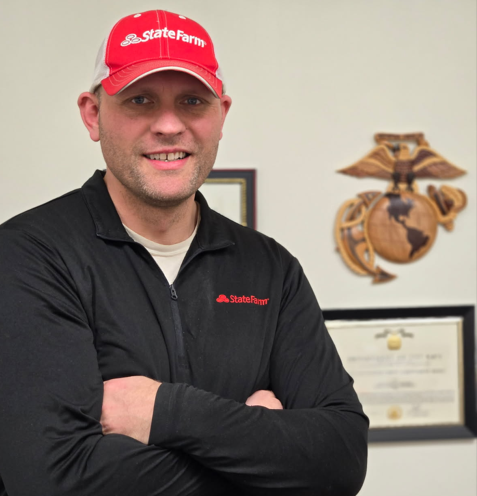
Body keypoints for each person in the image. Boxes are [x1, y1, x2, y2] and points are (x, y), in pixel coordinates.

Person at [0, 9, 368, 496]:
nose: (170, 126)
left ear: (222, 114)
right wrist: (259, 448)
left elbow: (340, 460)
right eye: (140, 100)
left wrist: (163, 411)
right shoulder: (29, 256)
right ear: (93, 114)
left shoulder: (268, 268)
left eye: (192, 101)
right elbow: (53, 480)